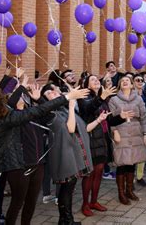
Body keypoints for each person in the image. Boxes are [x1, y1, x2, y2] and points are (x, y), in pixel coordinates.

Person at [0, 82, 89, 225]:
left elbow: (44, 112)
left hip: (36, 163)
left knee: (30, 202)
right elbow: (16, 105)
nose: (22, 97)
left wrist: (37, 98)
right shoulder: (10, 117)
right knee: (16, 203)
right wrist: (67, 97)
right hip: (19, 166)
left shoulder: (23, 113)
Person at [40, 83, 93, 225]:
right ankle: (66, 220)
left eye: (55, 90)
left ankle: (65, 220)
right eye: (50, 92)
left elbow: (79, 125)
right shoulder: (50, 113)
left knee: (69, 188)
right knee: (66, 188)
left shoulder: (61, 109)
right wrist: (70, 105)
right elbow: (71, 127)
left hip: (71, 153)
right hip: (63, 155)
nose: (55, 92)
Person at [78, 75, 123, 216]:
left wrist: (122, 117)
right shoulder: (84, 97)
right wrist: (101, 97)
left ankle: (94, 201)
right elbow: (88, 109)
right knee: (89, 174)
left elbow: (108, 120)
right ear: (86, 84)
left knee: (98, 173)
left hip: (103, 139)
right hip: (91, 139)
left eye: (97, 79)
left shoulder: (103, 99)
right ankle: (85, 204)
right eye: (92, 80)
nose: (96, 80)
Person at [108, 76, 146, 205]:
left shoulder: (139, 99)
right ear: (120, 85)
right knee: (122, 163)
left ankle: (129, 190)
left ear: (132, 85)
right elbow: (110, 118)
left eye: (128, 81)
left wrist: (145, 134)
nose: (125, 82)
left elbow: (144, 118)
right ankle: (121, 193)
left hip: (136, 133)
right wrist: (114, 131)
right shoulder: (113, 100)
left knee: (132, 163)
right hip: (121, 132)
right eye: (123, 81)